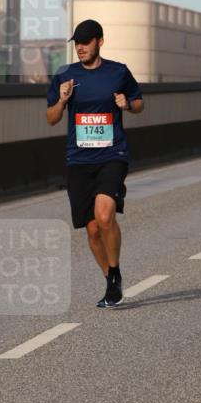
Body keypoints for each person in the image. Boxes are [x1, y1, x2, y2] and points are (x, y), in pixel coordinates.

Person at [47, 19, 144, 307]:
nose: (80, 47)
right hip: (78, 159)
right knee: (91, 230)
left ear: (100, 42)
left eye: (86, 42)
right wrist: (62, 101)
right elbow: (51, 118)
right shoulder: (65, 75)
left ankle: (114, 271)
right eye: (77, 43)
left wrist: (127, 104)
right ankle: (111, 279)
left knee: (104, 216)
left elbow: (140, 103)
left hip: (112, 154)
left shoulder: (118, 71)